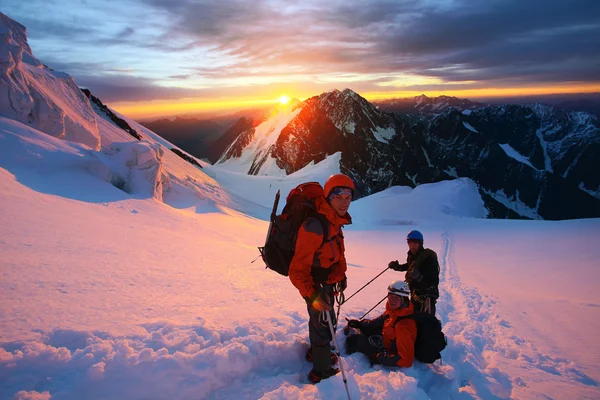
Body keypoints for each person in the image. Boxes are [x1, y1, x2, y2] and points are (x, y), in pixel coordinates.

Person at [288, 173, 354, 384]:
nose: (344, 202)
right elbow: (297, 270)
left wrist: (340, 276)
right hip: (315, 286)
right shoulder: (315, 226)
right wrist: (314, 295)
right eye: (339, 196)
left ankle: (317, 353)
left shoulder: (334, 220)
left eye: (348, 197)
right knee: (324, 325)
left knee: (324, 322)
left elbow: (337, 254)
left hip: (326, 283)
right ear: (328, 197)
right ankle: (321, 370)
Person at [344, 280, 417, 368]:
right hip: (385, 340)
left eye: (396, 298)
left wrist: (378, 358)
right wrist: (360, 324)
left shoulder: (403, 325)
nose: (392, 300)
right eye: (390, 297)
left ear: (403, 300)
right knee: (365, 330)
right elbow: (376, 323)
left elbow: (406, 360)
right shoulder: (392, 312)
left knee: (352, 340)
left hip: (389, 353)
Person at [388, 230, 440, 315]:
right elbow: (410, 266)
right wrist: (397, 267)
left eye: (415, 244)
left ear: (420, 244)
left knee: (426, 322)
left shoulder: (429, 258)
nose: (412, 246)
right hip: (415, 293)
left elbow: (433, 282)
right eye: (410, 244)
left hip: (426, 297)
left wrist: (419, 277)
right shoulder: (413, 255)